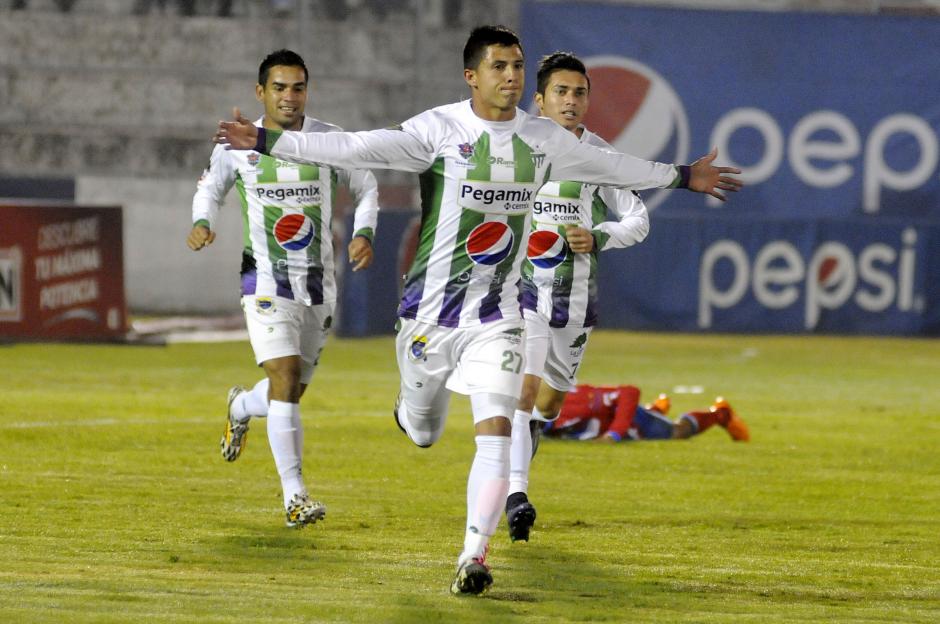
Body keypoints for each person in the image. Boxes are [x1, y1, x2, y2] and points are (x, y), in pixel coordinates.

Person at [213, 25, 741, 596]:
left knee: (496, 427)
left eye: (517, 66)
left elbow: (615, 169)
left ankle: (473, 555)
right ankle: (411, 412)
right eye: (499, 67)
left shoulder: (544, 138)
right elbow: (356, 147)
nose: (511, 76)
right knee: (422, 431)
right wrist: (269, 143)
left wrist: (683, 177)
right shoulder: (438, 130)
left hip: (501, 315)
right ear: (472, 75)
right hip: (429, 318)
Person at [189, 49, 379, 529]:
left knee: (288, 389)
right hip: (264, 281)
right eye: (279, 88)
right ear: (260, 92)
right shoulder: (238, 144)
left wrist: (364, 231)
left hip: (318, 284)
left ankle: (240, 404)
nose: (289, 97)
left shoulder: (329, 140)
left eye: (297, 87)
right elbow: (210, 187)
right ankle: (295, 496)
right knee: (286, 378)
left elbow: (367, 184)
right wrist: (202, 221)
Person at [505, 52, 653, 544]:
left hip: (575, 301)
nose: (571, 101)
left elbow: (638, 218)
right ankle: (516, 496)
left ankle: (520, 466)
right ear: (540, 100)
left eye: (580, 93)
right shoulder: (514, 147)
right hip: (519, 294)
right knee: (522, 394)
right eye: (562, 93)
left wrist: (601, 235)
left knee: (547, 405)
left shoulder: (599, 159)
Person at [543, 385, 750, 442]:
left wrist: (613, 434)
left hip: (632, 421)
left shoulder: (576, 400)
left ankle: (721, 414)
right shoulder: (540, 420)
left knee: (679, 432)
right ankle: (656, 410)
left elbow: (629, 392)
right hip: (616, 424)